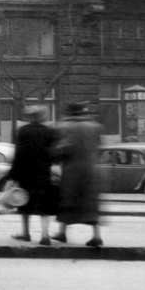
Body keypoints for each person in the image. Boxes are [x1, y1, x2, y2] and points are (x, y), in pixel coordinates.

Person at [4, 107, 60, 244]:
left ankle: (25, 233)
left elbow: (18, 154)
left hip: (26, 173)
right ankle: (45, 236)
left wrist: (13, 175)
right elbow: (54, 154)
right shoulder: (49, 132)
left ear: (30, 117)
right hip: (43, 172)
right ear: (42, 117)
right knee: (44, 205)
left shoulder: (23, 130)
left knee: (24, 202)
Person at [53, 102, 104, 248]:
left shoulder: (64, 127)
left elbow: (61, 149)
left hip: (72, 170)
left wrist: (54, 155)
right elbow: (99, 147)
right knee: (90, 203)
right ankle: (96, 236)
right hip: (91, 170)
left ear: (70, 113)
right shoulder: (95, 126)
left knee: (67, 201)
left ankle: (62, 233)